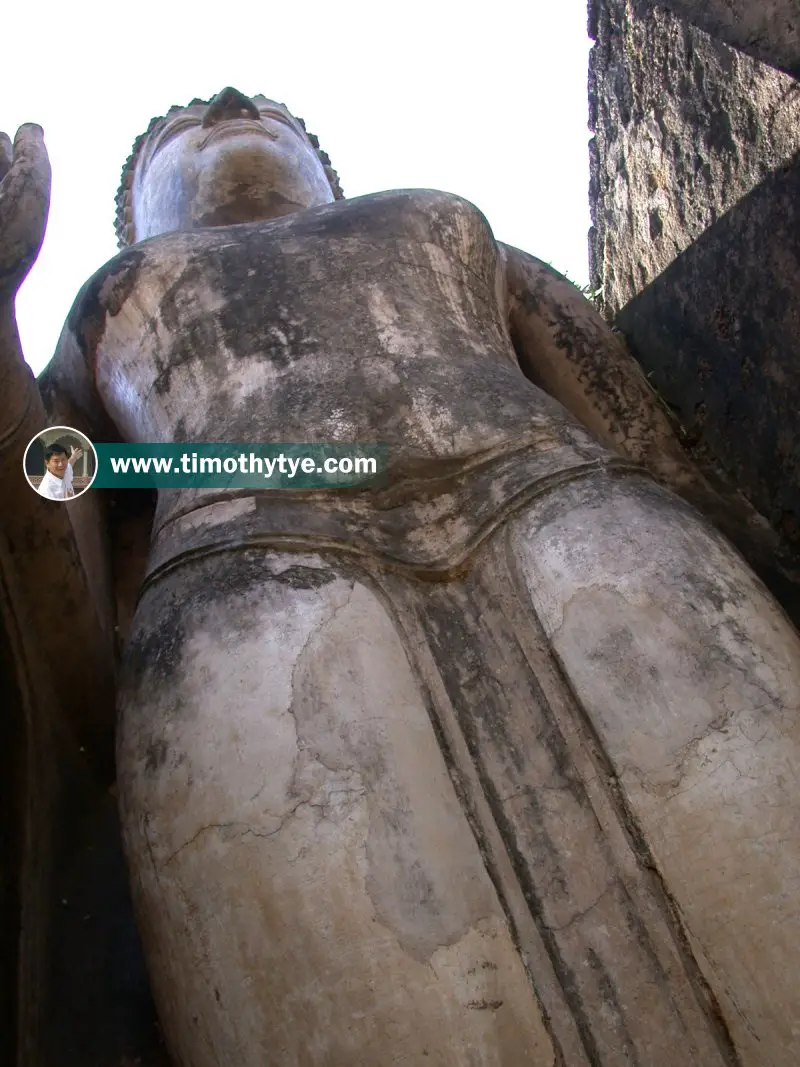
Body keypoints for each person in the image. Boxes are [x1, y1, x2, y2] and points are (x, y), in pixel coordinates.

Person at [1, 89, 799, 1067]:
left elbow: (636, 426)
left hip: (559, 494)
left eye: (278, 117)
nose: (230, 104)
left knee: (751, 859)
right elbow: (62, 525)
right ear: (137, 204)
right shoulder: (118, 297)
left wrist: (735, 530)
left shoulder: (439, 221)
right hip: (249, 566)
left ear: (323, 166)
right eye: (174, 128)